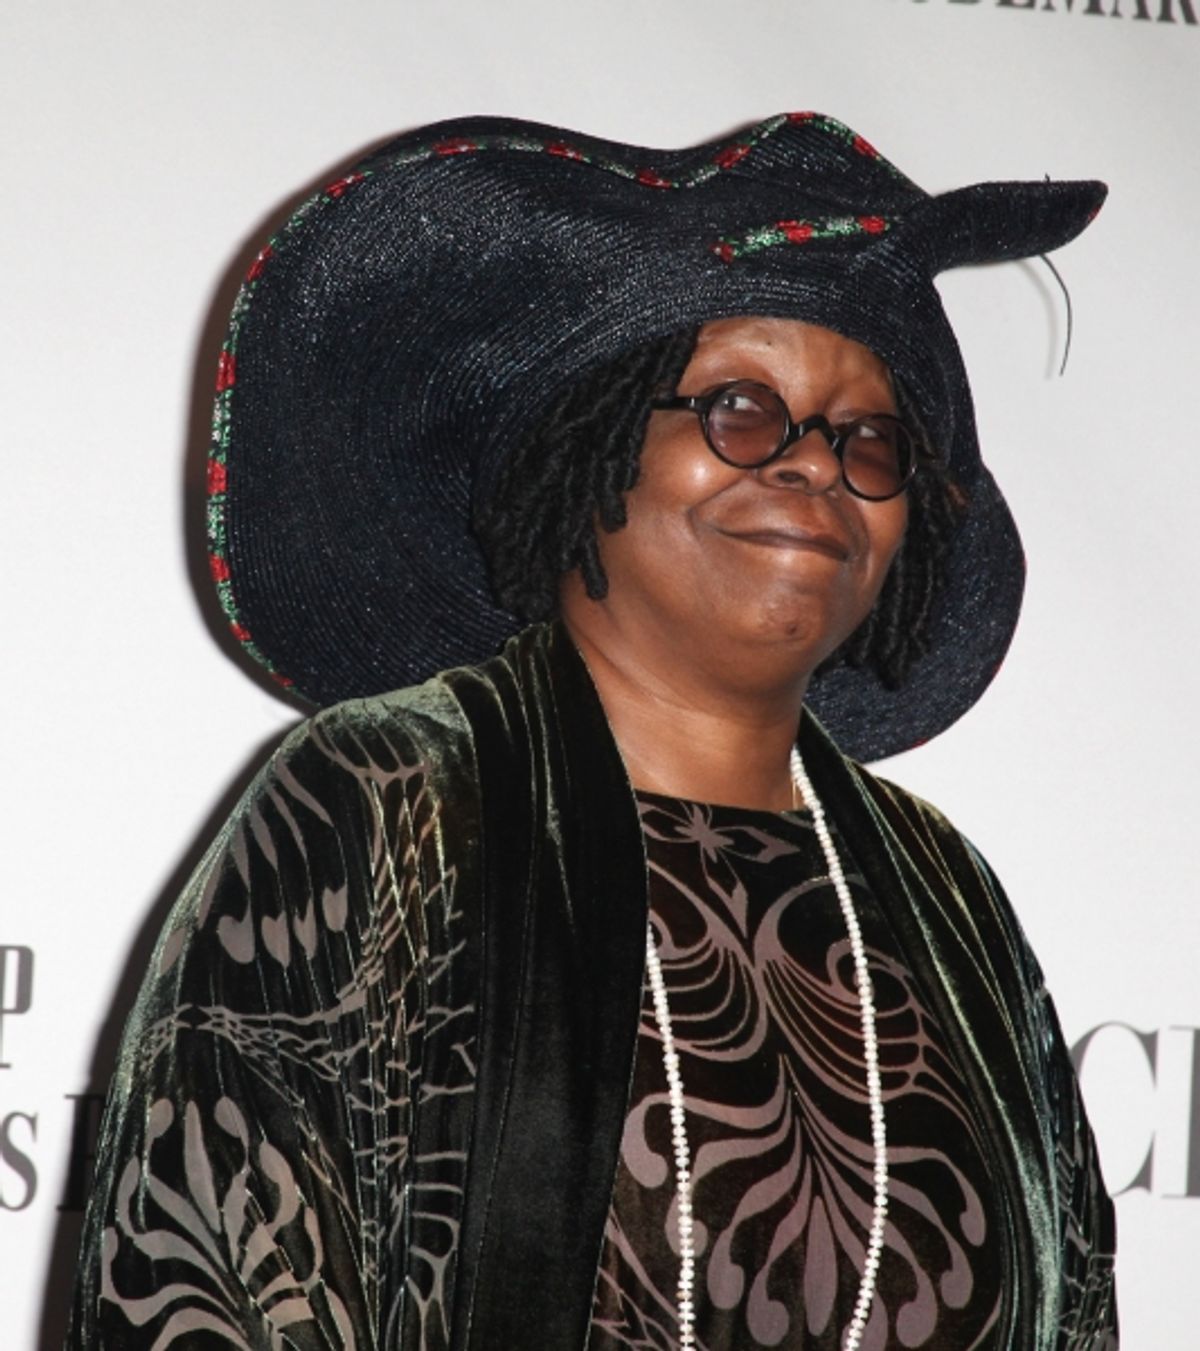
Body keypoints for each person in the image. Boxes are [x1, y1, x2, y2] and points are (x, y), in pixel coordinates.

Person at [69, 113, 1117, 1349]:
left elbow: (1079, 1307)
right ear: (585, 447)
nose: (815, 470)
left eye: (869, 439)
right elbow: (213, 1283)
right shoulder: (389, 802)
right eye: (740, 410)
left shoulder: (946, 900)